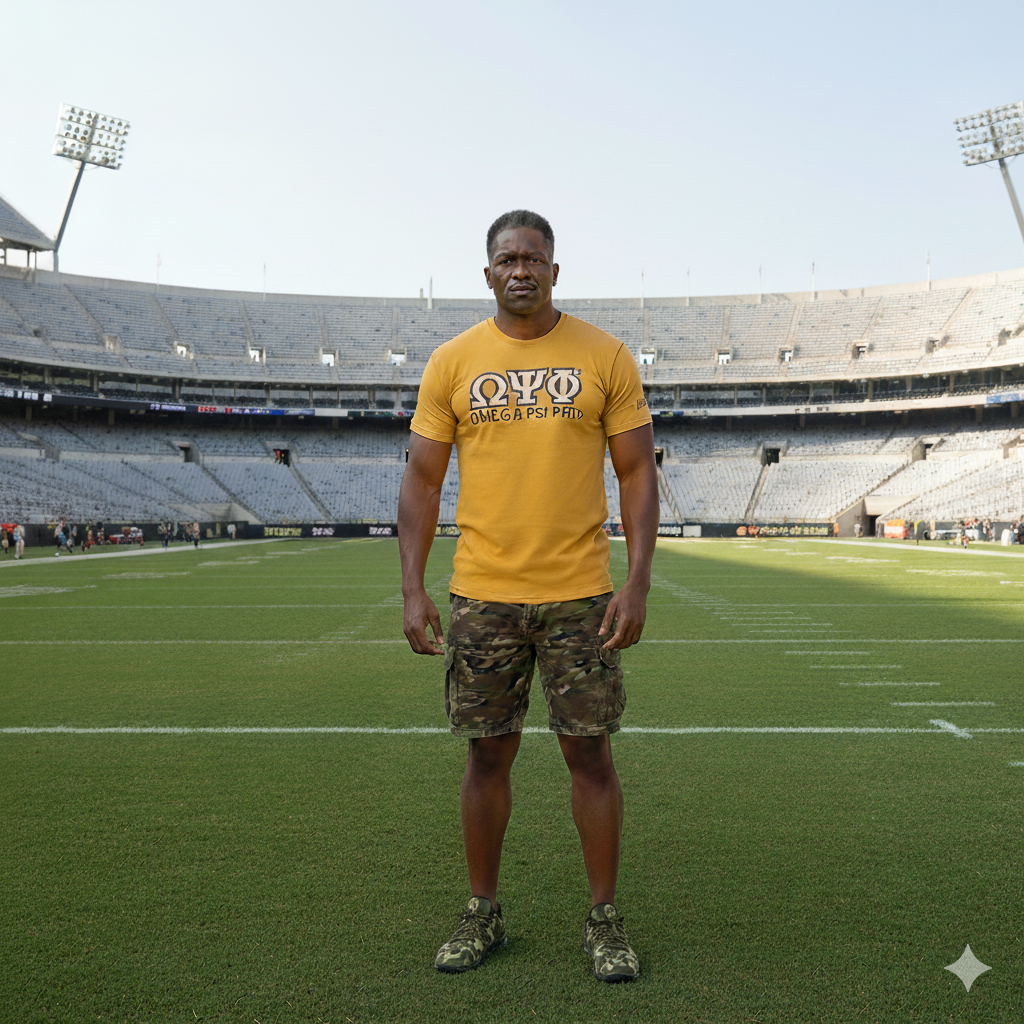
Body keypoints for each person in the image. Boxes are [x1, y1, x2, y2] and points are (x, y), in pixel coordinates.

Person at [399, 210, 658, 983]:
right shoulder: (453, 362)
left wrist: (638, 578)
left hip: (581, 595)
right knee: (487, 756)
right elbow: (421, 477)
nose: (521, 269)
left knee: (591, 755)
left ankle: (604, 919)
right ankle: (483, 912)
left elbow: (638, 472)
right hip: (484, 595)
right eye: (507, 258)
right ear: (487, 274)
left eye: (534, 258)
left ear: (554, 270)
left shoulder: (603, 355)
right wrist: (412, 588)